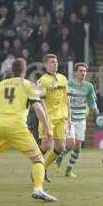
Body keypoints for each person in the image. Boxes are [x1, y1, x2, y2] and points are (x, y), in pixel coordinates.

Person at [0, 58, 56, 202]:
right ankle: (38, 189)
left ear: (12, 71)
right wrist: (48, 128)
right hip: (17, 127)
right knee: (38, 160)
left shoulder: (0, 85)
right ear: (25, 71)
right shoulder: (27, 85)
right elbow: (38, 108)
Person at [55, 63, 99, 177]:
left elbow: (91, 100)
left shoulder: (88, 86)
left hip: (81, 119)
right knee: (71, 144)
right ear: (75, 72)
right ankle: (59, 157)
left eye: (84, 71)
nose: (83, 73)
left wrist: (95, 108)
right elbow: (62, 99)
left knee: (78, 147)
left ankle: (69, 170)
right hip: (70, 118)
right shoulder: (68, 84)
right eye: (80, 71)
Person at [37, 54, 70, 182]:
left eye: (56, 62)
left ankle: (43, 168)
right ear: (46, 64)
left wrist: (69, 117)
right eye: (52, 62)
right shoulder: (42, 80)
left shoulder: (63, 78)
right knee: (46, 146)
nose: (55, 64)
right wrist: (45, 119)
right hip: (48, 118)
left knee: (60, 147)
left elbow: (67, 99)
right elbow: (41, 101)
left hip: (61, 117)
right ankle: (37, 170)